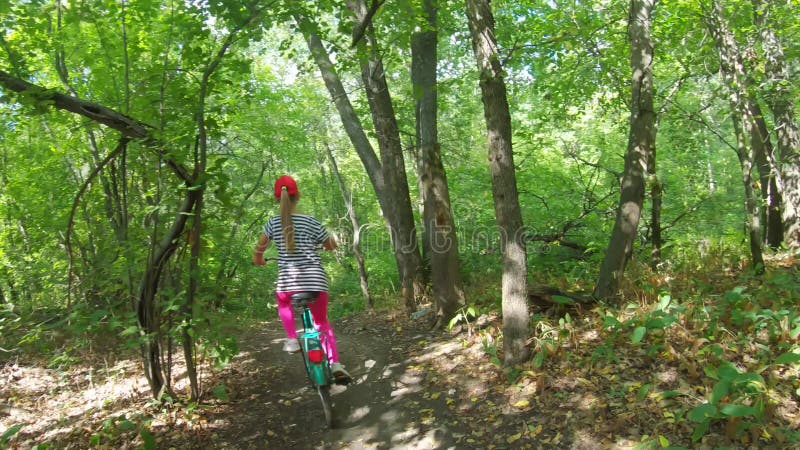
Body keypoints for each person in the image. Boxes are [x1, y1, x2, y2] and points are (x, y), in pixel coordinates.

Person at [252, 175, 351, 382]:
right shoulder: (311, 221)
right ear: (298, 195)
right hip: (315, 279)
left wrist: (259, 259)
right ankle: (335, 364)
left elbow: (259, 249)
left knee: (283, 301)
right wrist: (327, 243)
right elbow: (330, 245)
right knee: (322, 322)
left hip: (288, 281)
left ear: (276, 198)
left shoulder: (272, 223)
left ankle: (291, 339)